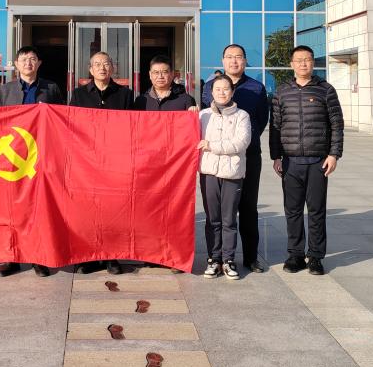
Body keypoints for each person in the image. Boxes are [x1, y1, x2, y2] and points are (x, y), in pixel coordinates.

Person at [270, 45, 344, 276]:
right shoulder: (282, 91)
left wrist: (334, 154)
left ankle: (316, 257)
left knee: (316, 210)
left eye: (308, 59)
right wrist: (276, 156)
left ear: (313, 63)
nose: (303, 63)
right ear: (291, 64)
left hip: (318, 161)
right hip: (290, 161)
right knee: (292, 210)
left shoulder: (326, 90)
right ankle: (295, 255)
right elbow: (275, 126)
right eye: (299, 60)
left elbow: (336, 124)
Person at [0, 45, 64, 277]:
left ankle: (38, 257)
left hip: (41, 157)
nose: (28, 63)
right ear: (16, 64)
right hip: (13, 159)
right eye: (23, 59)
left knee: (38, 208)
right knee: (12, 208)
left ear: (39, 63)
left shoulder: (51, 88)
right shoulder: (6, 90)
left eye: (33, 59)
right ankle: (12, 257)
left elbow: (61, 119)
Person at [201, 44, 269, 275]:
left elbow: (261, 119)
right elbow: (206, 118)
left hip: (248, 155)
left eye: (238, 57)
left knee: (248, 207)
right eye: (229, 57)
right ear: (222, 61)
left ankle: (250, 257)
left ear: (245, 60)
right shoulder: (210, 86)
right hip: (215, 160)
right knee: (217, 213)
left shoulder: (256, 88)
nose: (234, 61)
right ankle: (217, 257)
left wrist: (241, 142)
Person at [70, 50, 134, 274]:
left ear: (112, 68)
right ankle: (89, 256)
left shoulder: (125, 94)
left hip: (116, 161)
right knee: (88, 209)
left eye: (106, 64)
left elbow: (133, 126)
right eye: (97, 64)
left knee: (113, 209)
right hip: (87, 162)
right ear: (90, 69)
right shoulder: (79, 94)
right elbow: (71, 125)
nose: (102, 68)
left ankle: (111, 256)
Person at [134, 54, 197, 273]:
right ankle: (151, 254)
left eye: (164, 72)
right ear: (149, 75)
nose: (160, 76)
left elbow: (191, 133)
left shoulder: (186, 100)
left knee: (174, 211)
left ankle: (174, 257)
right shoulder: (141, 101)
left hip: (175, 165)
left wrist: (194, 115)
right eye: (156, 72)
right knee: (149, 210)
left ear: (172, 75)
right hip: (147, 164)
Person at [198, 75, 251, 280]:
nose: (222, 92)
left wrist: (211, 146)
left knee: (228, 219)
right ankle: (213, 258)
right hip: (209, 173)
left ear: (232, 91)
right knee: (212, 219)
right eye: (217, 89)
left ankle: (228, 260)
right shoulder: (203, 115)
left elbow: (241, 142)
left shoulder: (242, 116)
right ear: (211, 92)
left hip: (232, 173)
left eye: (226, 88)